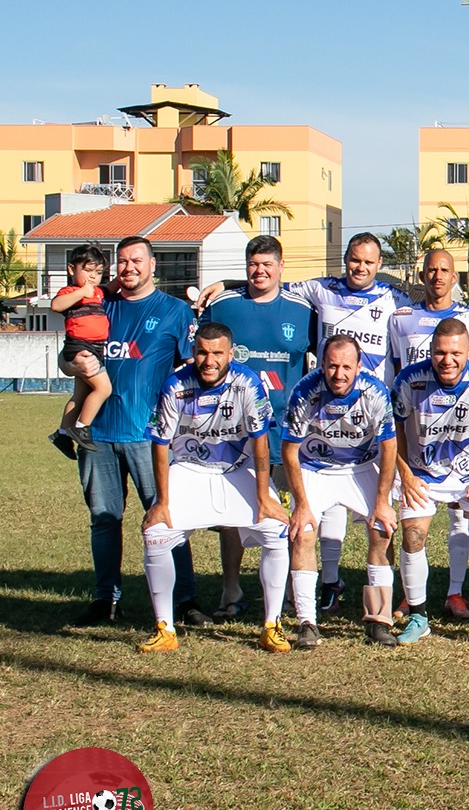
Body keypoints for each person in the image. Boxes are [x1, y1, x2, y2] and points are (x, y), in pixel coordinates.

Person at [202, 233, 408, 619]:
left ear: (379, 264)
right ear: (345, 259)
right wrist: (229, 284)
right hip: (295, 422)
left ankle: (350, 595)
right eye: (354, 259)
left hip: (365, 419)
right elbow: (267, 281)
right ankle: (245, 595)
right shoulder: (319, 291)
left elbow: (436, 306)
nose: (360, 267)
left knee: (363, 519)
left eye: (368, 261)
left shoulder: (396, 300)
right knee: (265, 515)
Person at [72, 235, 202, 628]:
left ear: (153, 266)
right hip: (97, 433)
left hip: (149, 435)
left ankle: (184, 601)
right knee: (105, 517)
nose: (130, 268)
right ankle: (106, 600)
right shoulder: (98, 304)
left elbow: (192, 369)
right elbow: (72, 350)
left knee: (165, 516)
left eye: (137, 261)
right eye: (123, 261)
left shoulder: (174, 311)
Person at [138, 323, 291, 652]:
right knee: (156, 533)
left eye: (217, 353)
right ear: (193, 352)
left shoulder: (248, 382)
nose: (209, 360)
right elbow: (160, 444)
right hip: (189, 469)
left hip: (236, 470)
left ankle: (271, 625)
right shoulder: (175, 385)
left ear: (230, 354)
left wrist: (264, 495)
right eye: (203, 353)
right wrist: (162, 501)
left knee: (276, 528)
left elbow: (260, 441)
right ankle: (164, 628)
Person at [197, 235, 316, 621]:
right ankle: (230, 590)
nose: (260, 271)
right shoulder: (224, 305)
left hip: (287, 433)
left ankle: (286, 597)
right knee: (232, 516)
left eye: (267, 264)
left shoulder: (303, 310)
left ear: (282, 267)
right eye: (253, 264)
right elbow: (200, 353)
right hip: (233, 434)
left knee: (287, 514)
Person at [390, 318, 469, 646]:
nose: (448, 360)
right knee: (413, 536)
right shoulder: (409, 380)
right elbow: (396, 430)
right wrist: (406, 474)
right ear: (430, 351)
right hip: (422, 472)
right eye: (440, 352)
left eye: (456, 353)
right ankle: (418, 616)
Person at [280, 335, 399, 647]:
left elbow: (389, 447)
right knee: (303, 532)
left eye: (347, 366)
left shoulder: (374, 390)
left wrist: (382, 501)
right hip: (315, 467)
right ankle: (307, 622)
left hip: (361, 465)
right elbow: (289, 452)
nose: (339, 374)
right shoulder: (305, 391)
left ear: (359, 366)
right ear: (322, 365)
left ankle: (378, 619)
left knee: (382, 530)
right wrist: (302, 505)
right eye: (332, 366)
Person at [388, 248, 469, 621]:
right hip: (418, 432)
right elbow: (396, 373)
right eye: (431, 270)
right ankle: (409, 596)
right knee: (412, 519)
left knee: (461, 516)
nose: (437, 277)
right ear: (421, 273)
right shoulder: (402, 319)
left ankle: (455, 593)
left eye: (444, 270)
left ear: (454, 276)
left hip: (462, 434)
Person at [48, 243, 113, 457]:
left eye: (98, 272)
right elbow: (56, 306)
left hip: (94, 348)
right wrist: (82, 292)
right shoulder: (71, 292)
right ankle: (81, 427)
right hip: (79, 347)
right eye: (87, 270)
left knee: (81, 393)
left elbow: (113, 287)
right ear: (71, 269)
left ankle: (62, 434)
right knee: (104, 389)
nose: (93, 277)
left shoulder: (98, 293)